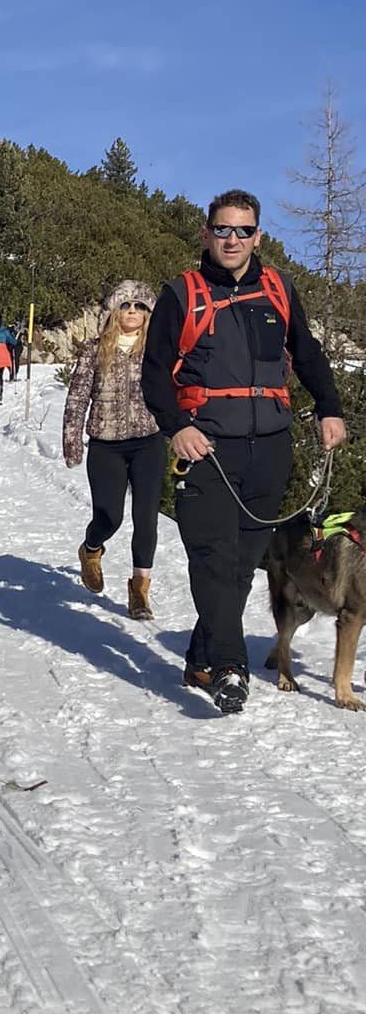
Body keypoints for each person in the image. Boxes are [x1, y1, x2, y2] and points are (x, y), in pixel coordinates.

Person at [142, 189, 347, 714]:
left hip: (269, 448)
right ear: (206, 233)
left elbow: (306, 351)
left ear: (257, 235)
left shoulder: (277, 289)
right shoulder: (180, 294)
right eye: (222, 229)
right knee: (212, 559)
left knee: (242, 565)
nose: (231, 239)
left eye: (243, 230)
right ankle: (231, 669)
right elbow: (154, 375)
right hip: (205, 447)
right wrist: (177, 427)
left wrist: (329, 406)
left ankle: (202, 654)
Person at [62, 281, 165, 620]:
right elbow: (77, 397)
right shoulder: (94, 349)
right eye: (126, 305)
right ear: (113, 312)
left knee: (146, 518)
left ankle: (139, 589)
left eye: (139, 306)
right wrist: (72, 440)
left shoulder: (158, 349)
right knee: (110, 516)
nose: (132, 312)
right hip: (106, 445)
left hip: (149, 442)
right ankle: (91, 549)